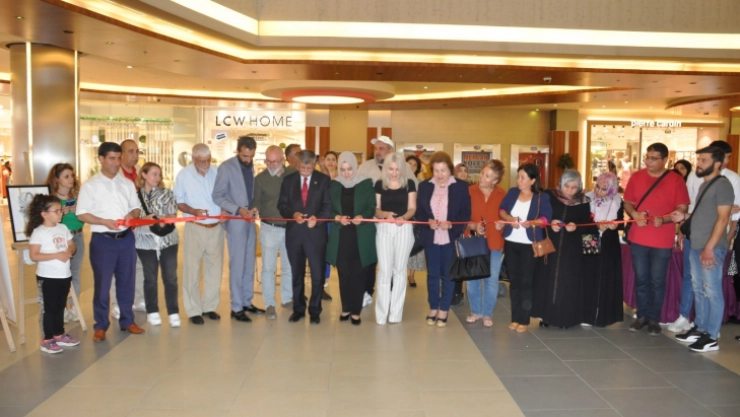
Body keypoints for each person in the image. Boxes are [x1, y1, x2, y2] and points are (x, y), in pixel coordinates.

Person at [669, 141, 740, 334]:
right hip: (696, 242)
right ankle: (700, 328)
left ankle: (712, 335)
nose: (699, 164)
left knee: (711, 290)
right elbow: (701, 215)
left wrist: (710, 248)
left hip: (711, 246)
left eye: (703, 160)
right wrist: (684, 217)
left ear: (717, 163)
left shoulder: (724, 185)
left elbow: (723, 218)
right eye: (698, 159)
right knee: (698, 287)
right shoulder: (703, 185)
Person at [77, 142, 145, 342]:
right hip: (103, 241)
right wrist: (102, 221)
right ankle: (100, 325)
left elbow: (136, 207)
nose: (116, 162)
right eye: (112, 158)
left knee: (127, 282)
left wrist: (132, 215)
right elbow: (81, 214)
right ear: (101, 159)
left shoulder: (127, 184)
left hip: (126, 240)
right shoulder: (90, 185)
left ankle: (127, 320)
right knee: (102, 285)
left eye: (118, 158)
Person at [624, 143, 689, 336]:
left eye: (654, 158)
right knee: (641, 279)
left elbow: (682, 208)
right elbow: (627, 202)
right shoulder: (637, 177)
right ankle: (641, 315)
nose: (648, 161)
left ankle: (654, 319)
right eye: (647, 157)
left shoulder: (676, 180)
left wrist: (666, 219)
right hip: (639, 238)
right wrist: (635, 214)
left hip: (662, 240)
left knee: (657, 281)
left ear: (665, 160)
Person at [357, 136, 418, 308]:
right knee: (371, 260)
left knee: (394, 265)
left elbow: (413, 192)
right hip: (371, 222)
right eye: (376, 148)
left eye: (382, 148)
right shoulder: (365, 167)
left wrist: (404, 216)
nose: (378, 151)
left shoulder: (404, 168)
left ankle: (392, 296)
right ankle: (367, 292)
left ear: (391, 150)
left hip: (398, 226)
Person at [532, 169, 597, 329]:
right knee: (548, 280)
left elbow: (588, 226)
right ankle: (546, 316)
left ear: (579, 187)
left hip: (572, 250)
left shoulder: (584, 201)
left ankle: (564, 319)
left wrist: (576, 227)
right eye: (566, 186)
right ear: (560, 184)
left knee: (567, 283)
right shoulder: (549, 195)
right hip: (551, 247)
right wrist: (550, 224)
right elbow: (539, 216)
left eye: (574, 187)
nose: (569, 191)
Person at [212, 136, 264, 323]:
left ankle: (247, 301)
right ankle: (236, 307)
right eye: (244, 156)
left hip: (250, 221)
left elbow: (250, 193)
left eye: (251, 156)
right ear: (237, 151)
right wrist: (237, 209)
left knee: (249, 263)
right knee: (237, 265)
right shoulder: (226, 167)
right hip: (235, 222)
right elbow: (217, 196)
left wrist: (254, 207)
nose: (248, 160)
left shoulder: (251, 167)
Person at [416, 151, 471, 327]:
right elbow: (419, 212)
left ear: (450, 170)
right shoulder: (424, 186)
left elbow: (466, 213)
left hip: (450, 237)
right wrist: (428, 221)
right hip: (431, 237)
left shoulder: (460, 186)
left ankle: (444, 309)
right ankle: (433, 306)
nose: (440, 175)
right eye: (436, 170)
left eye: (443, 170)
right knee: (433, 274)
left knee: (448, 275)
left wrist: (452, 224)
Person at [174, 143, 226, 325]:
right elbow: (178, 201)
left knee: (215, 269)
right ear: (194, 159)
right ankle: (194, 310)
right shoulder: (184, 175)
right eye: (202, 161)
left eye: (208, 160)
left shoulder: (217, 172)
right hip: (195, 227)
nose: (206, 164)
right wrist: (192, 210)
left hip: (216, 228)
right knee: (192, 270)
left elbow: (224, 196)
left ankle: (209, 307)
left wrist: (225, 211)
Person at [278, 150, 332, 325]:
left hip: (316, 235)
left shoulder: (323, 180)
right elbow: (282, 205)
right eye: (303, 167)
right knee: (296, 274)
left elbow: (328, 206)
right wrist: (293, 214)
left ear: (314, 164)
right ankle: (298, 309)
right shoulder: (288, 181)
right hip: (295, 234)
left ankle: (315, 310)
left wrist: (317, 219)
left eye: (309, 168)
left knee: (317, 275)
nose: (306, 171)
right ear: (297, 164)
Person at [496, 164, 552, 333]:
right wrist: (509, 218)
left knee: (526, 281)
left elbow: (546, 218)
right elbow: (502, 210)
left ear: (533, 180)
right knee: (514, 282)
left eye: (523, 177)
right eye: (518, 176)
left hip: (529, 244)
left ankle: (524, 320)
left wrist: (533, 222)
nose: (519, 180)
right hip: (511, 242)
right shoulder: (512, 192)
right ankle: (515, 318)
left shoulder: (541, 197)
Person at [326, 152, 376, 325]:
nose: (346, 173)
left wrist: (362, 216)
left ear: (355, 167)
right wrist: (337, 217)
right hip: (341, 235)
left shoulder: (366, 183)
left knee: (358, 274)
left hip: (361, 235)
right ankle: (345, 308)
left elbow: (371, 206)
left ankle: (356, 311)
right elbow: (328, 208)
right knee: (344, 274)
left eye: (349, 169)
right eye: (343, 169)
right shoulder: (334, 184)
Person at [27, 195, 80, 354]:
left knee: (60, 306)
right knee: (49, 308)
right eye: (56, 211)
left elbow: (72, 245)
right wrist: (57, 255)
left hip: (64, 275)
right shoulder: (39, 232)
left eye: (60, 210)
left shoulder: (62, 228)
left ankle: (59, 334)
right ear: (44, 214)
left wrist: (69, 251)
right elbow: (34, 255)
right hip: (47, 277)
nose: (61, 213)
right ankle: (47, 339)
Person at [250, 145, 296, 319]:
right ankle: (269, 303)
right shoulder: (260, 179)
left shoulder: (293, 174)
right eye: (268, 161)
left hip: (290, 228)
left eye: (275, 161)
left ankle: (287, 299)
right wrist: (254, 210)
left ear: (283, 160)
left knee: (288, 266)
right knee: (268, 268)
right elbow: (256, 201)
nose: (271, 165)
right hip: (269, 228)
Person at [134, 162, 180, 327]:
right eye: (153, 174)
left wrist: (164, 220)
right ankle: (152, 311)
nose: (157, 177)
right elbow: (132, 218)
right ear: (144, 175)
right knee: (150, 278)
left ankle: (173, 312)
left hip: (168, 240)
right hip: (145, 242)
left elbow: (173, 214)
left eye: (159, 174)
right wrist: (144, 220)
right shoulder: (135, 196)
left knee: (170, 277)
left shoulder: (167, 193)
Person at [374, 152, 417, 325]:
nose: (394, 173)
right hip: (384, 228)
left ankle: (395, 314)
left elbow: (412, 208)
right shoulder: (379, 184)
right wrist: (386, 214)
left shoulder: (410, 184)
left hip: (404, 228)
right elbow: (376, 210)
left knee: (400, 271)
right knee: (384, 271)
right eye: (391, 169)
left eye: (397, 169)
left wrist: (403, 218)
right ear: (386, 169)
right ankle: (381, 314)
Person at [465, 159, 506, 327]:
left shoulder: (502, 195)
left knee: (491, 279)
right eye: (482, 173)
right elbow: (461, 218)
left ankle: (487, 313)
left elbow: (506, 217)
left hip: (495, 241)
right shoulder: (469, 192)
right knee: (473, 278)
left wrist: (503, 223)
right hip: (473, 241)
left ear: (495, 180)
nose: (482, 177)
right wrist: (472, 225)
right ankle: (475, 311)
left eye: (487, 176)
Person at [44, 163, 84, 324]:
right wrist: (60, 214)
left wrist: (79, 212)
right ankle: (61, 308)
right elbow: (45, 222)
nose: (71, 179)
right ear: (57, 179)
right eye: (66, 176)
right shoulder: (51, 199)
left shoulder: (78, 196)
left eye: (72, 176)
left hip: (78, 236)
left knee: (75, 273)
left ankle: (74, 308)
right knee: (60, 274)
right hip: (59, 240)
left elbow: (84, 218)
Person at [111, 139, 146, 317]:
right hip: (120, 229)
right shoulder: (114, 175)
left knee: (140, 265)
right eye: (131, 151)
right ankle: (117, 304)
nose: (135, 155)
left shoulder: (140, 173)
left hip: (139, 228)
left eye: (137, 151)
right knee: (119, 268)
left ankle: (139, 299)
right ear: (122, 154)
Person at [584, 172, 624, 327]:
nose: (599, 191)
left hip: (609, 241)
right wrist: (595, 225)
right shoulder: (588, 198)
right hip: (590, 237)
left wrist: (614, 226)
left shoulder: (617, 200)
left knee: (606, 275)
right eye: (597, 187)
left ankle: (603, 314)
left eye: (604, 189)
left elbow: (621, 222)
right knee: (589, 273)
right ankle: (587, 313)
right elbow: (583, 219)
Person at [405, 155, 425, 288]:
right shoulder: (400, 180)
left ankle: (412, 275)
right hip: (403, 217)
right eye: (409, 164)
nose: (411, 167)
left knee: (416, 247)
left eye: (414, 165)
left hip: (417, 218)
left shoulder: (421, 183)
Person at [452, 162, 470, 306]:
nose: (463, 173)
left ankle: (463, 291)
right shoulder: (451, 189)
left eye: (465, 171)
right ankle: (455, 292)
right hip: (454, 231)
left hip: (469, 231)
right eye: (460, 170)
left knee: (465, 263)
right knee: (455, 262)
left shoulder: (472, 189)